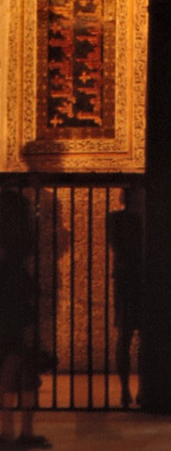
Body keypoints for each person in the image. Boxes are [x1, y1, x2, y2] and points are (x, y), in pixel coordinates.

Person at [0, 190, 51, 448]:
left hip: (10, 316)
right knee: (22, 372)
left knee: (10, 373)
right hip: (17, 316)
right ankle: (21, 431)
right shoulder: (19, 270)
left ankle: (7, 430)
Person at [107, 188, 144, 409]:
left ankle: (129, 390)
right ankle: (132, 389)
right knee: (130, 336)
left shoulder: (116, 220)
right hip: (133, 279)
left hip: (127, 279)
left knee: (126, 336)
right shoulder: (132, 221)